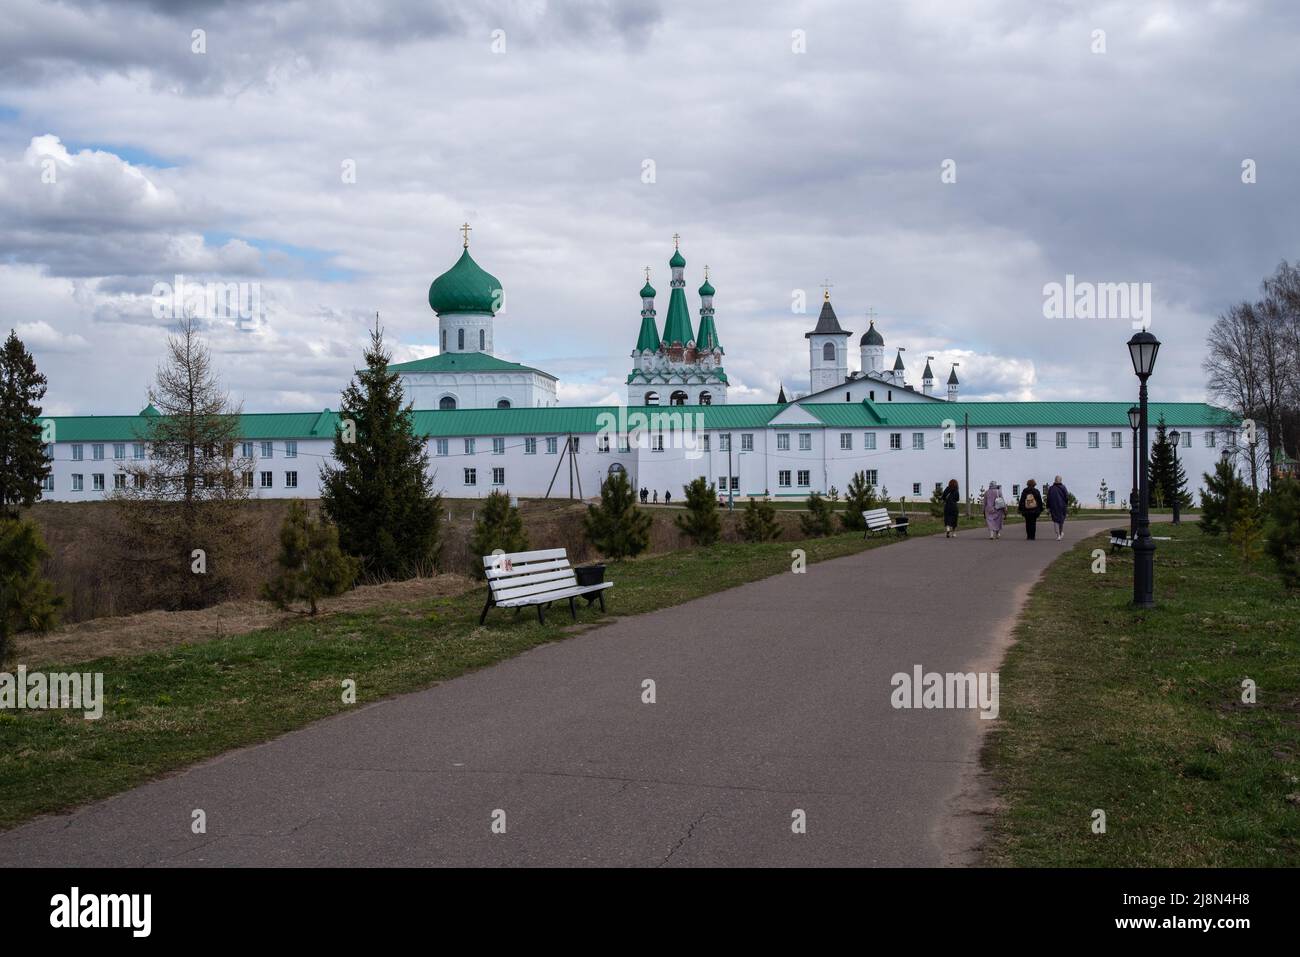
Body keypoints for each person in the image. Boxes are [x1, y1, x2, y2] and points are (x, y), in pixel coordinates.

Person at [1046, 475, 1069, 540]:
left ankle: (1058, 534)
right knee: (1061, 521)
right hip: (1062, 506)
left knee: (1055, 520)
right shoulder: (1063, 487)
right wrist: (1066, 504)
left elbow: (1048, 498)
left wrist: (1048, 507)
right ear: (1061, 480)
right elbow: (1066, 497)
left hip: (1054, 507)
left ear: (1055, 480)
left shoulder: (1051, 488)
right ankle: (1060, 533)